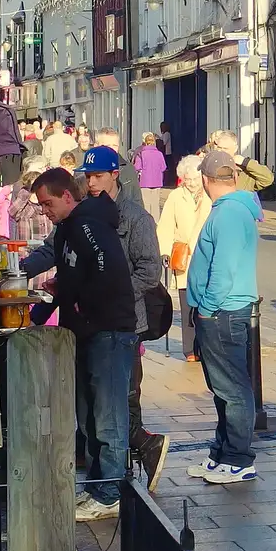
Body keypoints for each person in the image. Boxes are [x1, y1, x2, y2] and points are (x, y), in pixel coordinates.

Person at [31, 165, 140, 520]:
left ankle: (111, 492)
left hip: (108, 331)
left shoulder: (87, 224)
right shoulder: (66, 229)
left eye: (48, 204)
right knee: (90, 416)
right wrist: (63, 288)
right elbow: (83, 271)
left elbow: (108, 270)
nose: (45, 212)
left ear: (66, 196)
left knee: (108, 417)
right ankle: (97, 487)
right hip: (86, 331)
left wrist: (83, 301)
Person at [79, 145, 169, 490]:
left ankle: (138, 457)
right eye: (87, 177)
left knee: (123, 397)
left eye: (98, 175)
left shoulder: (135, 217)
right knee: (105, 399)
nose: (92, 183)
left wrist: (113, 289)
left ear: (115, 175)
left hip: (126, 321)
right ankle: (132, 462)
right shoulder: (85, 213)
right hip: (92, 322)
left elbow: (150, 270)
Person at [185, 150, 263, 485]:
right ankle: (222, 453)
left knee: (232, 388)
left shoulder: (229, 214)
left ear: (205, 180)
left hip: (223, 311)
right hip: (224, 310)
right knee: (224, 387)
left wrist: (206, 308)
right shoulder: (232, 209)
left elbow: (224, 268)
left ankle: (238, 459)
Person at [156, 154, 211, 359]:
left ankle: (205, 346)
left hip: (205, 256)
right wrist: (164, 250)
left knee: (205, 305)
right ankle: (190, 349)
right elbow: (166, 226)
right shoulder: (175, 197)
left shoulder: (210, 195)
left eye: (196, 179)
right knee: (187, 304)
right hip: (184, 257)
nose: (192, 183)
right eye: (188, 180)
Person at [206, 129, 274, 195]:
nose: (221, 152)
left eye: (225, 149)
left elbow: (268, 179)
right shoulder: (207, 165)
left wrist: (246, 162)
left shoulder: (244, 172)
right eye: (219, 148)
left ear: (235, 149)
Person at [134, 132, 167, 217]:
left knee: (146, 204)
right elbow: (163, 167)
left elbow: (137, 167)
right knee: (155, 204)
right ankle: (156, 223)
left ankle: (147, 223)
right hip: (157, 181)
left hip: (144, 182)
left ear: (145, 142)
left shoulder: (141, 154)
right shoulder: (159, 154)